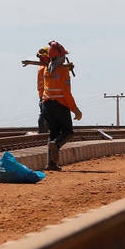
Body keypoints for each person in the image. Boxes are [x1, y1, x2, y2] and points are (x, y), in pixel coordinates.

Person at [41, 41, 82, 171]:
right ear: (60, 57)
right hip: (60, 105)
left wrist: (66, 67)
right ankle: (56, 144)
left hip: (46, 105)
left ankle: (51, 164)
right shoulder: (63, 72)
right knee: (68, 132)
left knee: (53, 133)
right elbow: (66, 93)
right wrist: (75, 110)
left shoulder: (46, 70)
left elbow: (56, 67)